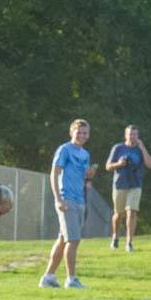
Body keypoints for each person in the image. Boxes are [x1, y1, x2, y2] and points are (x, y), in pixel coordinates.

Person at [39, 119, 96, 289]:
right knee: (74, 240)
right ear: (71, 132)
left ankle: (48, 277)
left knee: (64, 239)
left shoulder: (85, 154)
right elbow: (54, 174)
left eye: (85, 133)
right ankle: (71, 279)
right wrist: (58, 198)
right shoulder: (64, 150)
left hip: (80, 199)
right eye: (79, 132)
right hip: (66, 199)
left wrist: (89, 175)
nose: (82, 135)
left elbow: (83, 176)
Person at [105, 124, 151, 252]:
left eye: (135, 134)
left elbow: (150, 164)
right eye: (130, 134)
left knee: (132, 212)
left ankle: (129, 242)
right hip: (120, 184)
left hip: (135, 185)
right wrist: (119, 164)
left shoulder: (140, 149)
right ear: (125, 135)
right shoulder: (118, 148)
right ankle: (115, 237)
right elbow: (108, 166)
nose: (133, 137)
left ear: (138, 136)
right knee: (118, 215)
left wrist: (143, 148)